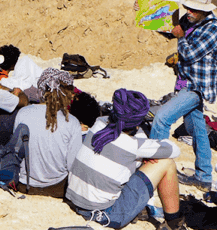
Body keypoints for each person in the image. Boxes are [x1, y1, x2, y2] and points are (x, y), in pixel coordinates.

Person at [66, 89, 187, 230]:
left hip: (76, 200)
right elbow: (174, 150)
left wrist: (141, 151)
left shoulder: (99, 123)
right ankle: (173, 223)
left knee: (126, 162)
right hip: (105, 214)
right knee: (166, 163)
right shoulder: (134, 145)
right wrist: (144, 151)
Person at [149, 0, 217, 190]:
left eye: (194, 10)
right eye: (188, 8)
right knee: (198, 130)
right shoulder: (190, 20)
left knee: (162, 119)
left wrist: (181, 37)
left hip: (196, 86)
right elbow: (171, 34)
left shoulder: (213, 28)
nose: (189, 13)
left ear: (205, 10)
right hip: (185, 81)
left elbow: (190, 54)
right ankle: (203, 176)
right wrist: (150, 17)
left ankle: (153, 170)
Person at [10, 68, 86, 195]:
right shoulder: (72, 122)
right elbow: (72, 165)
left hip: (25, 184)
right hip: (56, 187)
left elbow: (16, 150)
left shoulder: (23, 113)